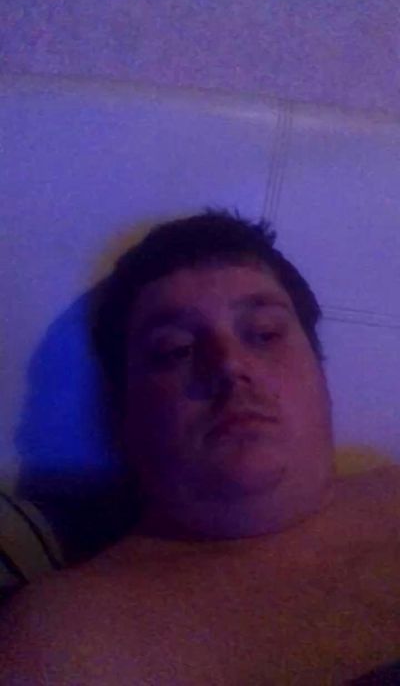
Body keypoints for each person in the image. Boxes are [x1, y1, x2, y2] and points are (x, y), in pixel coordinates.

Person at [0, 207, 399, 685]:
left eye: (265, 334)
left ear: (320, 370)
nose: (229, 365)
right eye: (177, 351)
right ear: (124, 412)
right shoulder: (66, 644)